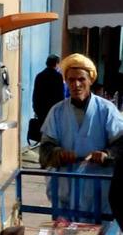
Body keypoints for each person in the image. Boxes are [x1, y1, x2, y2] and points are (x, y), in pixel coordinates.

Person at [39, 53, 123, 216]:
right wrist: (58, 154)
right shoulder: (57, 112)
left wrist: (107, 154)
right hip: (65, 193)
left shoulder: (106, 110)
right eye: (71, 80)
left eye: (81, 79)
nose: (76, 84)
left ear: (90, 80)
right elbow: (45, 149)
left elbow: (121, 143)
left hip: (100, 194)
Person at [32, 54, 65, 128]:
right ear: (56, 64)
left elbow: (35, 94)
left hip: (41, 110)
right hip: (54, 110)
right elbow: (60, 94)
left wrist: (35, 109)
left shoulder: (39, 76)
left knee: (42, 132)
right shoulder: (58, 77)